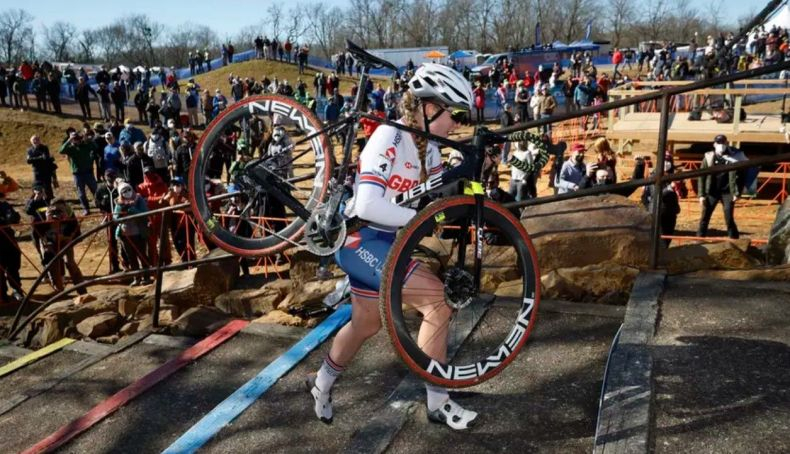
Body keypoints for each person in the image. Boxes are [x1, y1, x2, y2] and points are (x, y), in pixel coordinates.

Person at [308, 64, 479, 430]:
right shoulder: (390, 137)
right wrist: (422, 217)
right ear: (429, 107)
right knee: (437, 302)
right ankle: (438, 401)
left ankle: (321, 383)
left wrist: (463, 189)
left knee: (365, 323)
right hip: (360, 238)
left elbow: (429, 208)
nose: (458, 125)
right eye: (456, 114)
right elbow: (370, 206)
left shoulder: (431, 149)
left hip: (386, 241)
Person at [697, 135, 747, 239]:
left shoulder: (734, 157)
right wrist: (701, 194)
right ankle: (699, 239)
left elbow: (742, 176)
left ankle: (734, 239)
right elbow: (702, 176)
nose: (721, 145)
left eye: (723, 143)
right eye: (719, 143)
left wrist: (737, 192)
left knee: (729, 217)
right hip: (711, 191)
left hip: (728, 192)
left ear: (727, 144)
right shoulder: (708, 157)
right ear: (714, 144)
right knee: (705, 216)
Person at [114, 182, 151, 286]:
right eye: (124, 191)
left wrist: (132, 209)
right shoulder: (119, 203)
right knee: (131, 257)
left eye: (129, 189)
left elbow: (145, 214)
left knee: (142, 255)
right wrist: (122, 209)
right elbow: (115, 218)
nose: (127, 193)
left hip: (139, 233)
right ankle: (137, 277)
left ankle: (146, 277)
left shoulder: (139, 199)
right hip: (125, 235)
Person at [59, 132, 98, 215]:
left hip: (88, 172)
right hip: (78, 174)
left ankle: (100, 205)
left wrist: (87, 139)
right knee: (81, 193)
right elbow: (61, 150)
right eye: (74, 139)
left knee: (95, 190)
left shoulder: (86, 146)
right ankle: (86, 209)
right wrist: (69, 140)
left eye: (77, 138)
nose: (76, 140)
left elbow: (95, 147)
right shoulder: (71, 149)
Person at [95, 169, 123, 273]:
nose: (111, 178)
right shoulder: (101, 189)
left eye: (112, 176)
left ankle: (128, 264)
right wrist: (103, 204)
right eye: (108, 176)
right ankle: (114, 266)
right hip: (108, 218)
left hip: (121, 217)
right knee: (112, 242)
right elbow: (97, 202)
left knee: (125, 241)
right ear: (105, 177)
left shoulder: (119, 187)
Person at [0, 191, 24, 303]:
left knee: (13, 267)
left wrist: (12, 217)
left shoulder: (4, 205)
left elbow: (14, 218)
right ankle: (2, 294)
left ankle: (17, 291)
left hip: (8, 240)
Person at [27, 135, 59, 200]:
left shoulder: (44, 148)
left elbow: (45, 157)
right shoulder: (30, 150)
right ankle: (36, 198)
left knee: (47, 186)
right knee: (37, 185)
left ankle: (50, 198)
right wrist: (40, 158)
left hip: (46, 170)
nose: (36, 141)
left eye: (37, 139)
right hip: (37, 171)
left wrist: (34, 159)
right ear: (31, 142)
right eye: (34, 140)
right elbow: (28, 161)